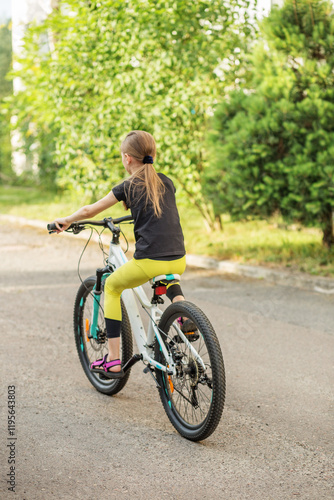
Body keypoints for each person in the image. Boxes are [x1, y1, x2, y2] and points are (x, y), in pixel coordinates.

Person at [52, 130, 195, 379]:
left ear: (127, 158)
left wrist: (66, 220)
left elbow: (89, 209)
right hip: (179, 258)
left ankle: (114, 361)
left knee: (112, 287)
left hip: (149, 262)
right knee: (167, 276)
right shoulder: (166, 181)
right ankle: (184, 315)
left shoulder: (128, 186)